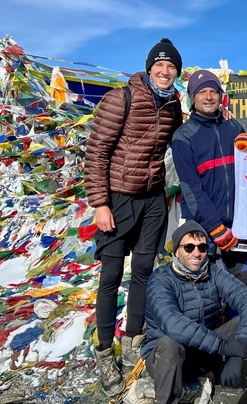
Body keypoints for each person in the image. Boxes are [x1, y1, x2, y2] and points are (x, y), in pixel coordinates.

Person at [84, 38, 184, 396]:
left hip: (153, 200)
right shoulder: (120, 99)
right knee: (110, 276)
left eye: (171, 66)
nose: (165, 71)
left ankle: (132, 344)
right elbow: (96, 153)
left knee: (143, 273)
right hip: (118, 199)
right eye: (160, 65)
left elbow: (179, 142)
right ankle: (104, 352)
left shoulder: (173, 105)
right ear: (148, 68)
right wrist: (100, 203)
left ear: (177, 72)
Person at [141, 221, 247, 404]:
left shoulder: (213, 272)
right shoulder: (160, 280)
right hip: (166, 361)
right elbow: (173, 324)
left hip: (205, 351)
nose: (196, 253)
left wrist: (239, 348)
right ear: (176, 251)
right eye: (189, 247)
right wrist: (224, 347)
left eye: (202, 247)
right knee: (170, 342)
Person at [172, 70, 247, 285]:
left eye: (213, 91)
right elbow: (191, 190)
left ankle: (238, 320)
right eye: (202, 92)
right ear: (192, 98)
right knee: (202, 287)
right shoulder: (184, 136)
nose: (208, 97)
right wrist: (215, 227)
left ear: (220, 96)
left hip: (238, 225)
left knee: (241, 285)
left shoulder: (233, 126)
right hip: (202, 226)